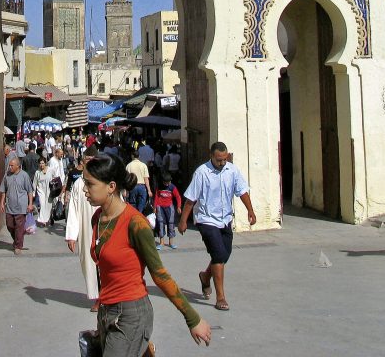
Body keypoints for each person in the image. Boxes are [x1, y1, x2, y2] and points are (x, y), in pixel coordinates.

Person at [84, 153, 211, 355]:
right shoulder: (97, 218)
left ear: (111, 186)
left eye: (90, 184)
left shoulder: (136, 224)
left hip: (130, 314)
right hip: (106, 312)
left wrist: (192, 318)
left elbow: (160, 274)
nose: (84, 189)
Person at [177, 142, 256, 312]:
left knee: (224, 255)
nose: (222, 163)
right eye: (219, 159)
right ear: (211, 156)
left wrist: (250, 211)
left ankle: (205, 276)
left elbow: (242, 191)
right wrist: (183, 220)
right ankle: (221, 297)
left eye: (224, 159)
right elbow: (191, 199)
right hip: (206, 220)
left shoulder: (232, 170)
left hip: (225, 219)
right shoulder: (202, 172)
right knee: (218, 256)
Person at [65, 146, 100, 311]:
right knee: (88, 260)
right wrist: (72, 234)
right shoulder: (79, 184)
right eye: (87, 160)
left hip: (105, 227)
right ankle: (97, 296)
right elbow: (73, 208)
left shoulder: (105, 180)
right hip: (86, 230)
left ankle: (106, 297)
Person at [0, 156, 35, 254]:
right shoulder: (7, 176)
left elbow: (30, 191)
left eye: (12, 165)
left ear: (18, 166)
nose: (9, 167)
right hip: (10, 206)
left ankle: (18, 246)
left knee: (19, 226)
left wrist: (30, 204)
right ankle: (17, 239)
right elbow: (3, 190)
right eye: (9, 165)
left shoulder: (24, 176)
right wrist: (2, 202)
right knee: (10, 225)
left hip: (21, 206)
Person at [153, 171, 182, 249]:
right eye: (165, 182)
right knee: (160, 223)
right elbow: (156, 197)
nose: (167, 184)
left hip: (169, 207)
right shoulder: (159, 187)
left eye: (168, 182)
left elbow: (178, 197)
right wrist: (155, 207)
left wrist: (178, 206)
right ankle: (161, 242)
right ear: (162, 181)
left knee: (171, 223)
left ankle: (171, 242)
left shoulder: (172, 187)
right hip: (160, 207)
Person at [33, 157, 52, 226]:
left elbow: (55, 177)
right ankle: (42, 220)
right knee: (42, 204)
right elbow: (35, 183)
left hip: (49, 189)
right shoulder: (37, 172)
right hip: (41, 190)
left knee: (48, 205)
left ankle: (48, 219)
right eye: (40, 163)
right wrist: (33, 193)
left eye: (43, 163)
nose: (41, 165)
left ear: (45, 163)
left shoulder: (50, 170)